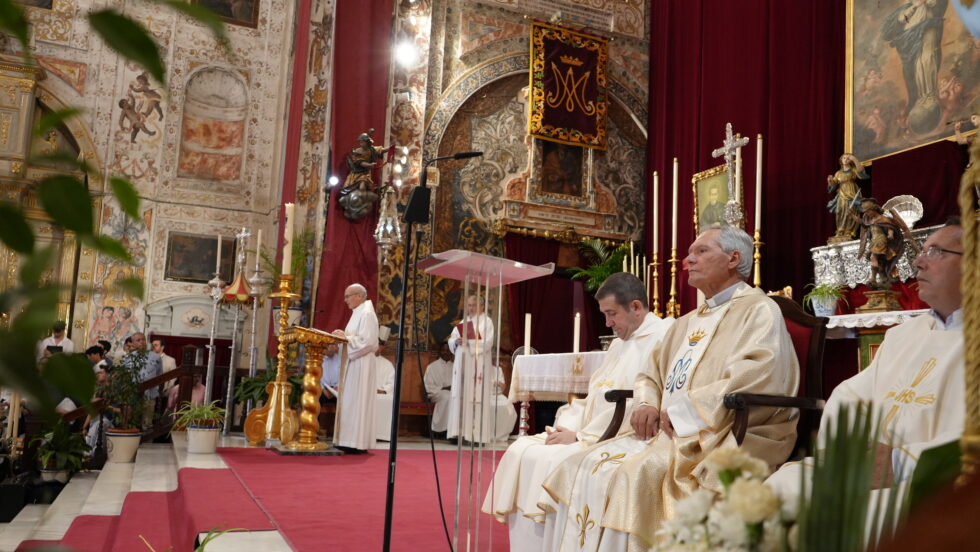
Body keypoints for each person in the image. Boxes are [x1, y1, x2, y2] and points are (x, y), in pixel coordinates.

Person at [540, 226, 799, 552]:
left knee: (631, 475)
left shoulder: (759, 310)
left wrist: (684, 414)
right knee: (580, 465)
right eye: (690, 252)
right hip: (668, 432)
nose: (689, 259)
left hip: (720, 433)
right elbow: (650, 373)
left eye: (701, 251)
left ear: (734, 259)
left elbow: (757, 376)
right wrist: (646, 404)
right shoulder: (687, 321)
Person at [767, 219, 964, 502]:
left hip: (930, 483)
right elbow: (851, 395)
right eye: (922, 251)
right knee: (777, 489)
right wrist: (847, 446)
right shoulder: (903, 335)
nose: (918, 262)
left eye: (935, 252)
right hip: (862, 469)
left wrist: (901, 464)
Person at [481, 272, 674, 550]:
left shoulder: (664, 336)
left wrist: (581, 437)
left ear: (635, 306)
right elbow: (596, 394)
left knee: (554, 459)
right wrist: (571, 425)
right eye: (604, 315)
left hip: (626, 435)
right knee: (521, 450)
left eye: (611, 314)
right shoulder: (619, 344)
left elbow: (639, 400)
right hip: (594, 429)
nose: (607, 323)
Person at [332, 283, 379, 453]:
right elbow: (356, 338)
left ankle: (356, 443)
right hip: (354, 363)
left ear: (359, 296)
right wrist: (343, 337)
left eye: (348, 296)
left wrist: (345, 337)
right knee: (351, 402)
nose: (345, 300)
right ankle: (347, 440)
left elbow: (368, 342)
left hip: (361, 363)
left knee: (357, 401)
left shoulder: (366, 314)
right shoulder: (358, 313)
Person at [447, 294, 497, 444]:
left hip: (477, 366)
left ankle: (477, 436)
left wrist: (468, 341)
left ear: (482, 306)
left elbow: (487, 343)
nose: (471, 308)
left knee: (476, 398)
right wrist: (455, 341)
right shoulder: (464, 321)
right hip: (463, 365)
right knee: (460, 396)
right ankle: (458, 433)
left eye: (474, 305)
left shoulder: (487, 322)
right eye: (469, 305)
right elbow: (452, 338)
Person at [120, 333, 163, 430]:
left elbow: (160, 376)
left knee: (147, 424)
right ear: (133, 343)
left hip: (150, 395)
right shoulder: (127, 358)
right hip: (132, 396)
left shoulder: (156, 357)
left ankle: (147, 438)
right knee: (132, 423)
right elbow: (122, 376)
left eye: (143, 339)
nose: (141, 342)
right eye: (138, 340)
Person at [826, 153, 868, 241]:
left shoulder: (853, 170)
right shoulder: (838, 173)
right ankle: (840, 231)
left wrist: (855, 159)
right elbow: (833, 186)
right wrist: (830, 181)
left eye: (848, 158)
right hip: (841, 194)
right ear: (841, 160)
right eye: (844, 158)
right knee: (840, 211)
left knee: (851, 210)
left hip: (851, 193)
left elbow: (862, 173)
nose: (845, 160)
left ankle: (849, 231)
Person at [423, 342, 454, 438]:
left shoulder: (455, 367)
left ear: (451, 352)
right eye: (443, 350)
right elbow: (428, 386)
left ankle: (453, 430)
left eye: (448, 350)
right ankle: (440, 430)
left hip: (453, 394)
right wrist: (444, 388)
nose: (446, 352)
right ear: (439, 352)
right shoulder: (432, 367)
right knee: (446, 396)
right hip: (435, 394)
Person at [375, 342, 396, 441]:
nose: (376, 347)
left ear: (382, 347)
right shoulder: (364, 362)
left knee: (389, 400)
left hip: (383, 393)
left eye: (379, 345)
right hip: (367, 393)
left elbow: (391, 383)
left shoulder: (387, 364)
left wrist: (383, 391)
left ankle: (383, 435)